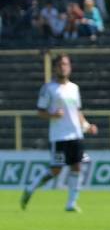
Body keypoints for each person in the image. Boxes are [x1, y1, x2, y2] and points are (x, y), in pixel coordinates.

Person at [20, 54, 98, 212]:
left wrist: (87, 126)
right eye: (61, 64)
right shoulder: (48, 88)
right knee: (56, 169)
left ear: (70, 67)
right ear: (55, 67)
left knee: (77, 166)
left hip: (76, 134)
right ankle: (31, 187)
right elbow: (40, 112)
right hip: (59, 136)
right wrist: (53, 115)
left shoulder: (74, 88)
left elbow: (77, 111)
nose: (64, 67)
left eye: (66, 64)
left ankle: (71, 203)